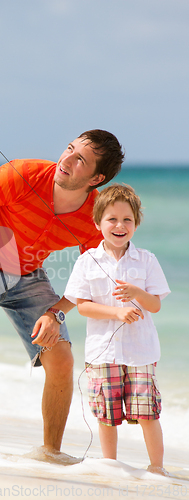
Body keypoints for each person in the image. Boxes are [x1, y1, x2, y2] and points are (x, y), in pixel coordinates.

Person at [0, 129, 125, 459]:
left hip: (28, 273)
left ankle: (51, 455)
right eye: (69, 149)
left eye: (80, 160)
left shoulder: (94, 215)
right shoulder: (22, 174)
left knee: (61, 357)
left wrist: (56, 313)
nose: (66, 160)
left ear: (96, 178)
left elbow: (92, 274)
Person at [64, 184, 170, 474]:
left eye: (127, 220)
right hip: (102, 351)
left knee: (147, 412)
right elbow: (82, 305)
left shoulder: (146, 260)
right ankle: (110, 465)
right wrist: (116, 312)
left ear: (136, 224)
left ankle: (157, 468)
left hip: (141, 351)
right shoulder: (87, 261)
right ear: (98, 223)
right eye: (112, 219)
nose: (120, 225)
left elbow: (155, 305)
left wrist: (136, 292)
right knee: (107, 414)